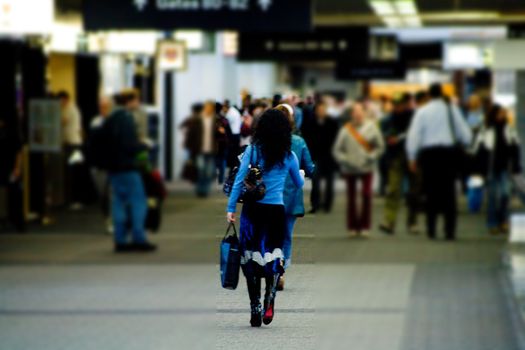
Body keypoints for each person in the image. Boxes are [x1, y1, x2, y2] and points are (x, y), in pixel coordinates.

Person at [226, 108, 304, 328]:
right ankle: (270, 299)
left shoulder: (252, 151)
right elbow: (298, 185)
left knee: (251, 259)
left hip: (253, 212)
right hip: (275, 213)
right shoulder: (289, 155)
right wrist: (301, 175)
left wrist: (231, 208)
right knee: (272, 256)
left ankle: (255, 307)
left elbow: (240, 180)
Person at [406, 84, 472, 240]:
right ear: (442, 94)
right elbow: (464, 133)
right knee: (449, 193)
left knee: (431, 192)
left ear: (429, 95)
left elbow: (414, 135)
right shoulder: (452, 109)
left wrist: (412, 157)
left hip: (429, 156)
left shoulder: (422, 112)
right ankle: (450, 231)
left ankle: (431, 229)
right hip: (448, 155)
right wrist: (466, 143)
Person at [103, 92, 156, 252]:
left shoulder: (110, 118)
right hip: (128, 166)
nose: (138, 103)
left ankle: (120, 239)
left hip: (113, 168)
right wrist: (144, 145)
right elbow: (129, 145)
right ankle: (138, 238)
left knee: (118, 203)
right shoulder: (126, 119)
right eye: (136, 100)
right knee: (138, 202)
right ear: (129, 101)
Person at [275, 104, 315, 290]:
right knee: (286, 236)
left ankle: (271, 266)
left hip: (269, 196)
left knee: (269, 233)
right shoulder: (298, 142)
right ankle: (281, 270)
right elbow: (310, 167)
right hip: (291, 198)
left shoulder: (262, 142)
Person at [333, 102, 384, 237]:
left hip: (367, 167)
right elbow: (337, 149)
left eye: (360, 111)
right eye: (355, 112)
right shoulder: (346, 129)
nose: (358, 114)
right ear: (352, 114)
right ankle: (352, 226)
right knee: (351, 198)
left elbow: (380, 146)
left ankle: (365, 225)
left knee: (367, 195)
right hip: (350, 168)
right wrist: (345, 160)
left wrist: (371, 156)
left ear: (364, 113)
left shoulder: (371, 128)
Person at [471, 104, 521, 235]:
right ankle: (492, 223)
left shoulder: (509, 130)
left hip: (505, 167)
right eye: (500, 113)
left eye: (504, 113)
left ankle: (502, 220)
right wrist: (478, 169)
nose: (503, 116)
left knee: (505, 194)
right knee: (493, 197)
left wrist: (516, 166)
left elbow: (516, 148)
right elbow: (478, 150)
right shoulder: (486, 130)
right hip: (491, 168)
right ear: (494, 115)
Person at [380, 94, 420, 235]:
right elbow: (383, 135)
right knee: (393, 189)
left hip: (413, 157)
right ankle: (389, 222)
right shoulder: (389, 119)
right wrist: (388, 139)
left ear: (405, 104)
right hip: (395, 157)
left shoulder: (414, 118)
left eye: (399, 105)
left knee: (414, 191)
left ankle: (412, 222)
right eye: (395, 105)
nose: (397, 108)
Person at [184, 101, 227, 197]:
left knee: (209, 171)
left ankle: (205, 189)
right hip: (200, 149)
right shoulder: (198, 120)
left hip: (211, 150)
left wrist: (221, 132)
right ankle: (201, 190)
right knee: (201, 170)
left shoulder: (215, 120)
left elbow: (220, 134)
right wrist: (189, 146)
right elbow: (191, 134)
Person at [302, 101, 339, 213]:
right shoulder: (311, 123)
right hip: (316, 156)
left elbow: (336, 139)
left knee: (330, 182)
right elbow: (307, 138)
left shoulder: (332, 123)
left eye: (323, 110)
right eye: (319, 110)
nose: (321, 112)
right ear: (316, 111)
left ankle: (327, 204)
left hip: (329, 156)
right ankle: (315, 204)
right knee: (316, 181)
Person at [88, 96, 114, 234]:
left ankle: (112, 220)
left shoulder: (115, 122)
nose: (103, 109)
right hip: (98, 165)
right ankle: (107, 218)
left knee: (112, 194)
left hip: (112, 164)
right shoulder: (95, 122)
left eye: (105, 106)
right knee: (102, 195)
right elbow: (91, 145)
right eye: (101, 106)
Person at [58, 90, 85, 210]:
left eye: (60, 100)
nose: (59, 103)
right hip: (72, 144)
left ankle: (76, 199)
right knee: (72, 172)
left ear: (65, 99)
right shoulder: (69, 108)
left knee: (74, 173)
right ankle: (72, 199)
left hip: (74, 145)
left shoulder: (70, 109)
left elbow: (62, 122)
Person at [0, 116, 24, 232]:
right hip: (5, 167)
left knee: (15, 194)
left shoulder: (11, 134)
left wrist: (17, 167)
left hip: (10, 168)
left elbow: (18, 152)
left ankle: (17, 221)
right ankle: (8, 218)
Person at [223, 100, 242, 169]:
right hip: (237, 134)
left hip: (233, 135)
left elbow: (226, 125)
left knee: (232, 154)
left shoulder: (230, 114)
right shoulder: (234, 111)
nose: (223, 109)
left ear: (226, 106)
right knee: (235, 153)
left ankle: (232, 168)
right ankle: (234, 167)